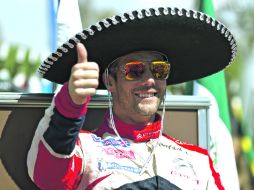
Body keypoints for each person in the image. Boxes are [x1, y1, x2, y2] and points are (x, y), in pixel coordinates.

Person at [27, 7, 237, 190]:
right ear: (110, 81)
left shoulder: (198, 161)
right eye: (135, 70)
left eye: (159, 70)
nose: (149, 80)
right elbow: (47, 178)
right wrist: (71, 103)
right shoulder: (85, 149)